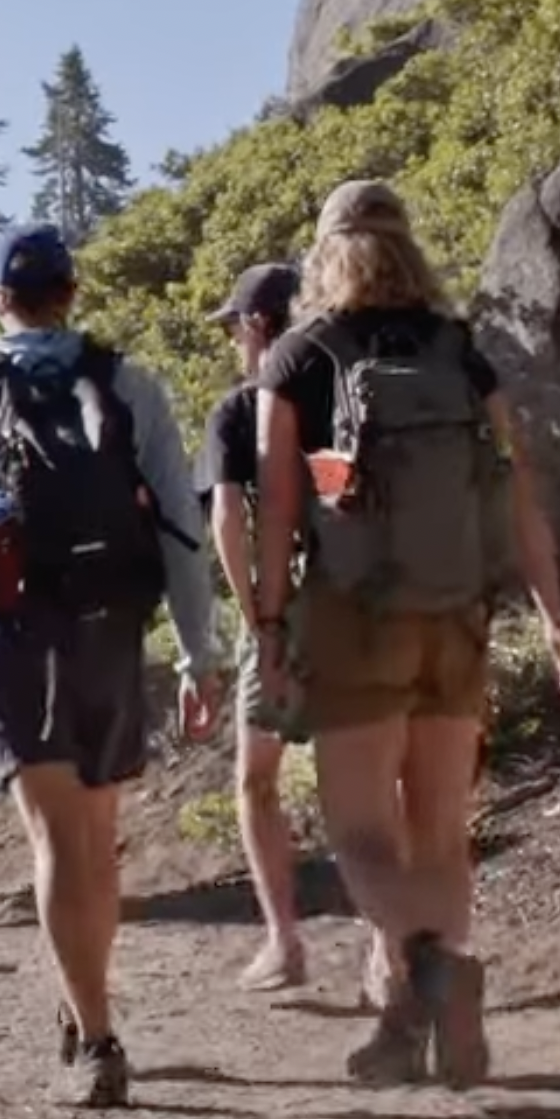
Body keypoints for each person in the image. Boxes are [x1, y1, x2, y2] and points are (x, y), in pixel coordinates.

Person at [252, 180, 560, 1089]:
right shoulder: (459, 352)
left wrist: (271, 625)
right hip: (459, 617)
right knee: (438, 832)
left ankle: (434, 966)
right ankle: (407, 1021)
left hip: (356, 620)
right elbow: (516, 491)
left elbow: (279, 514)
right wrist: (554, 615)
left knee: (362, 835)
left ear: (324, 254)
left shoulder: (298, 357)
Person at [0, 222, 222, 1108]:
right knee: (94, 835)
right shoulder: (129, 382)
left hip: (12, 626)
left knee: (52, 839)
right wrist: (200, 648)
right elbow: (180, 531)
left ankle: (95, 1035)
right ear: (71, 293)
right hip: (110, 620)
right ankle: (87, 1006)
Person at [202, 261, 313, 992]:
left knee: (257, 781)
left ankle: (283, 943)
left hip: (284, 608)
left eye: (235, 326)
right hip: (355, 603)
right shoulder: (340, 394)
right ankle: (383, 951)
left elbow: (228, 523)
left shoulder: (239, 410)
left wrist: (257, 621)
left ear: (253, 325)